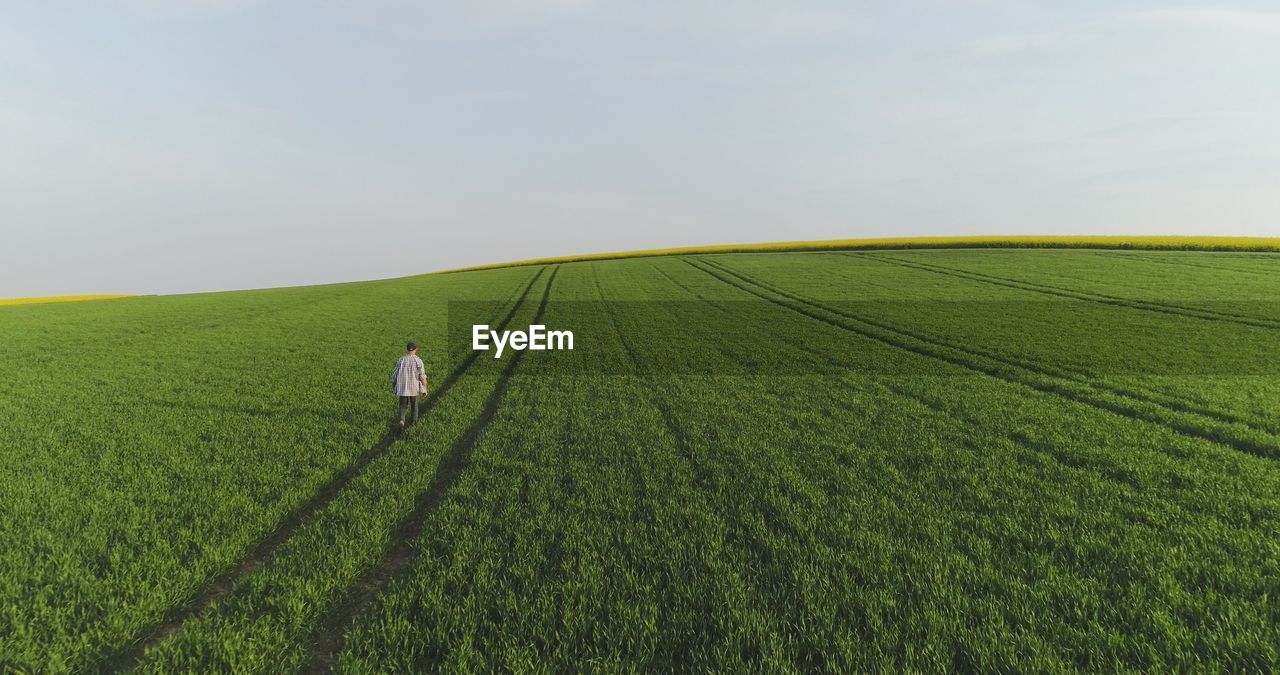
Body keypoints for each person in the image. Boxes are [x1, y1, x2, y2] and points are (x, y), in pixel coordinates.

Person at [391, 341, 428, 429]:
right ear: (415, 349)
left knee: (403, 405)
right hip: (414, 388)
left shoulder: (401, 360)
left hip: (403, 388)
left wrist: (394, 386)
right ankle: (413, 424)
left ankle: (402, 420)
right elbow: (422, 377)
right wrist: (425, 389)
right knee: (414, 407)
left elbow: (394, 375)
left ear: (407, 350)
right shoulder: (418, 361)